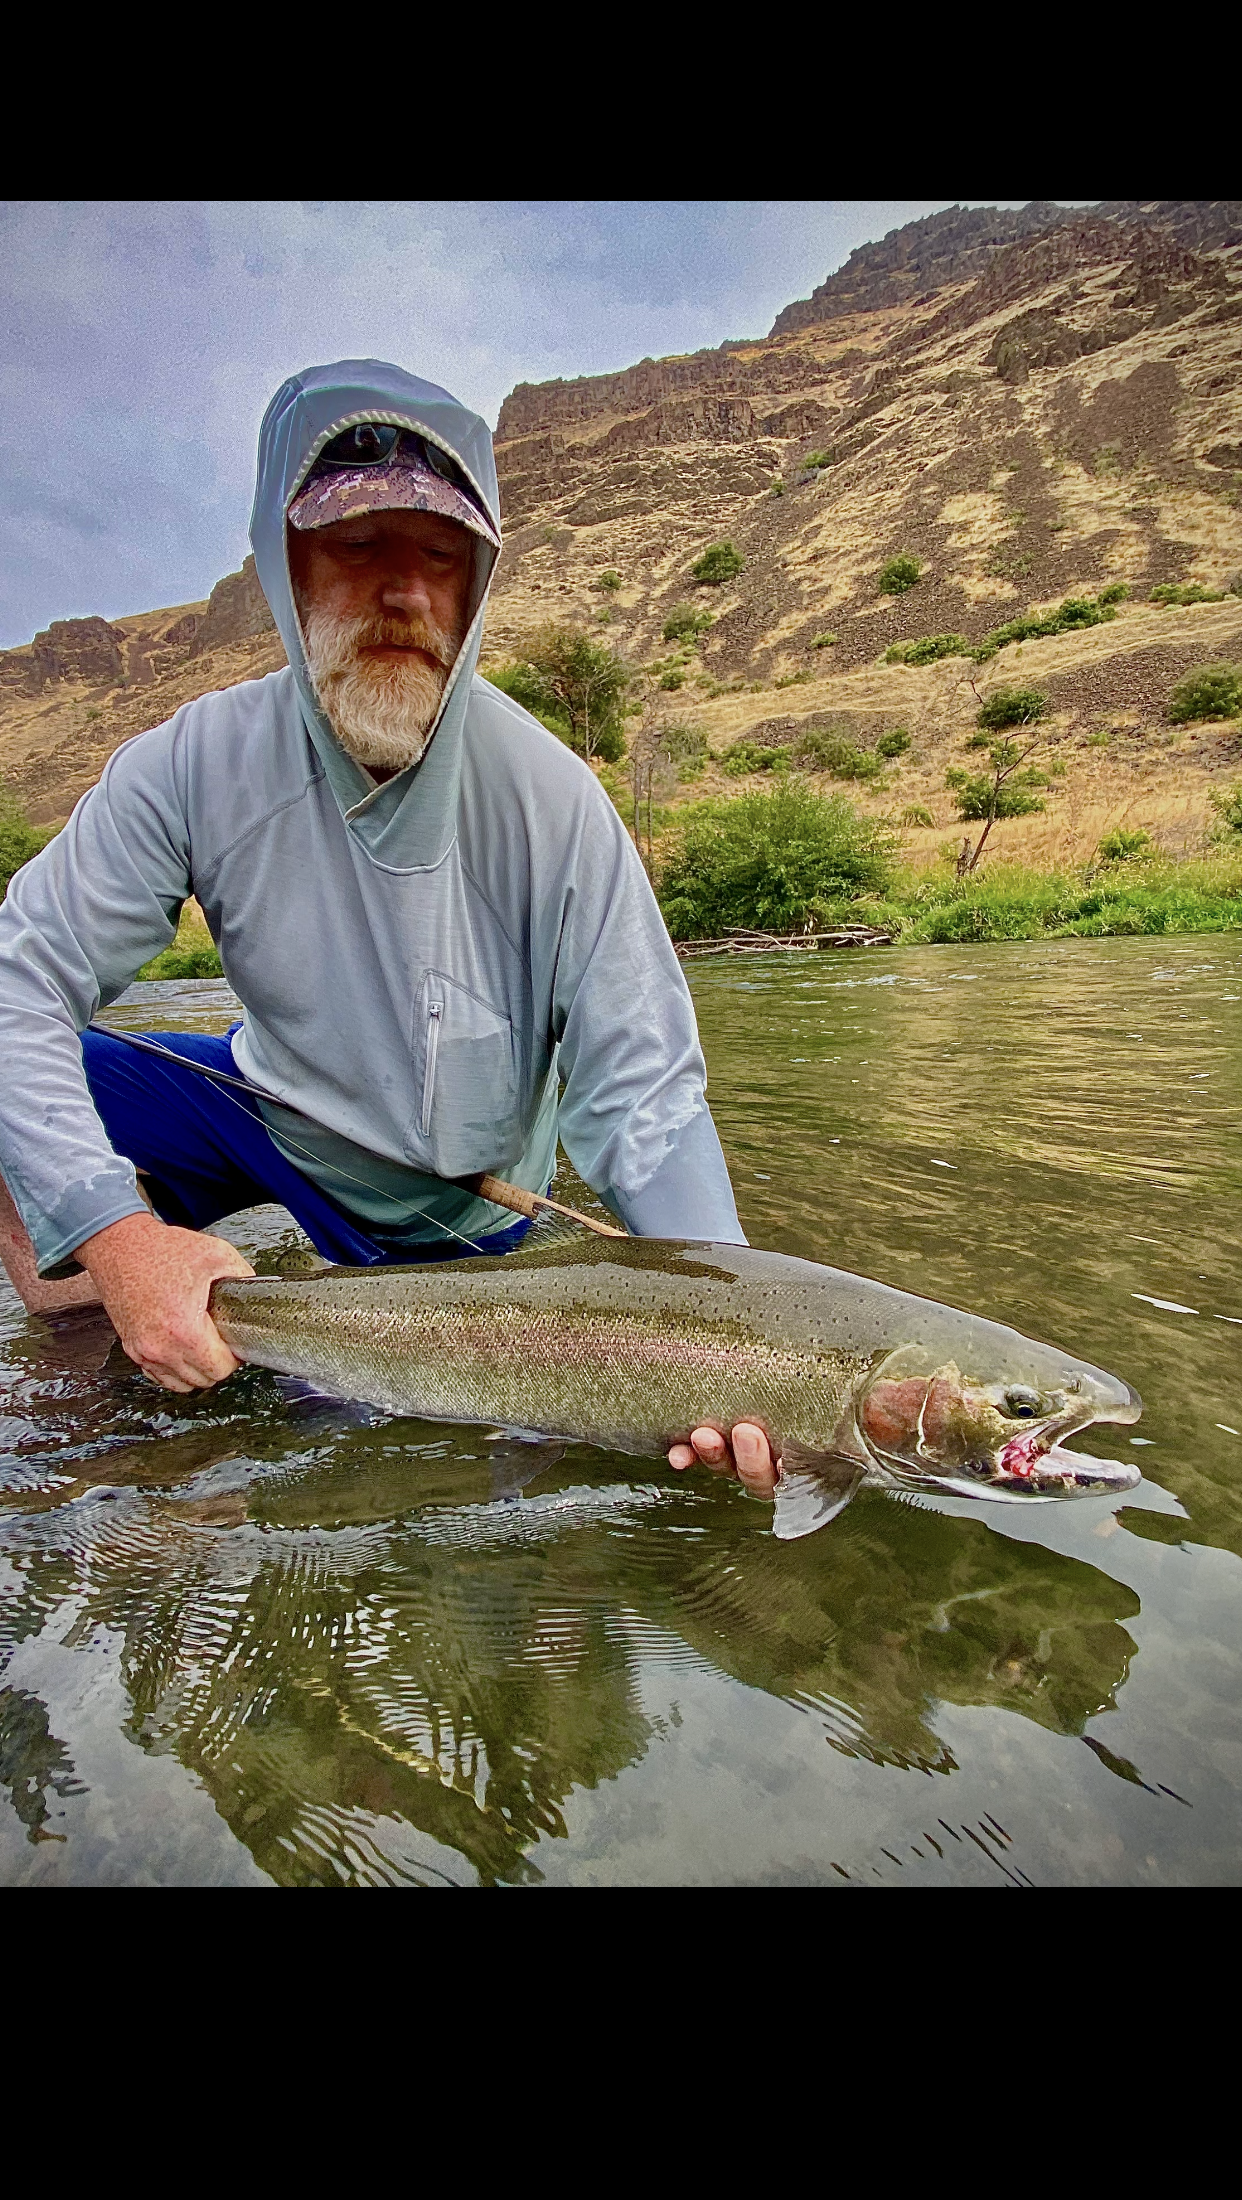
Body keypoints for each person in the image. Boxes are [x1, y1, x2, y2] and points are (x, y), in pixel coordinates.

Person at [0, 359, 778, 1494]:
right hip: (261, 1112)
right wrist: (113, 1234)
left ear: (477, 581)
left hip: (455, 1210)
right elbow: (18, 983)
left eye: (440, 555)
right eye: (359, 548)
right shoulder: (189, 763)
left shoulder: (557, 805)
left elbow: (647, 1107)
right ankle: (96, 1333)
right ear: (284, 564)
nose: (404, 592)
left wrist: (741, 1339)